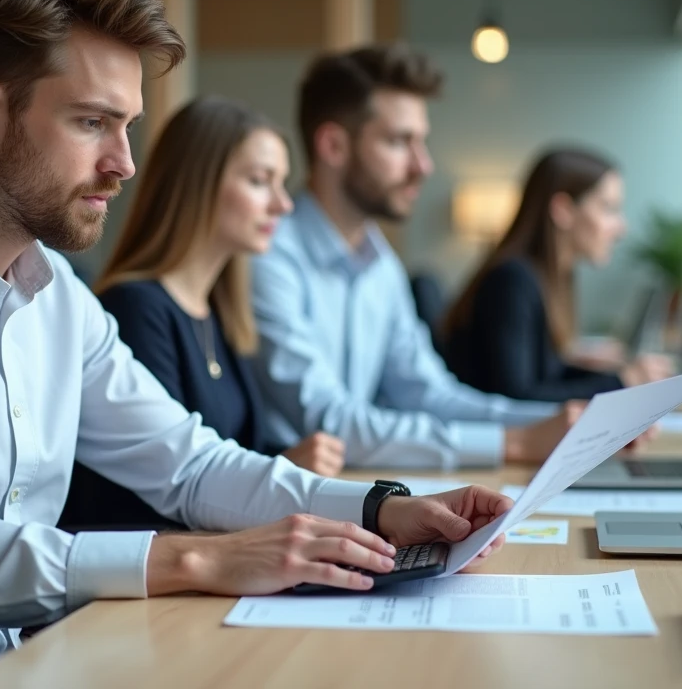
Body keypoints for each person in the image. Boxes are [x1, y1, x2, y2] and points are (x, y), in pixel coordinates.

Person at [0, 0, 511, 681]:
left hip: (30, 659)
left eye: (127, 125)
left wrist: (383, 508)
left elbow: (191, 465)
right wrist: (198, 559)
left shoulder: (57, 295)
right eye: (92, 122)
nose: (125, 163)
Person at [251, 44, 592, 470]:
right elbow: (327, 421)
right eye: (400, 142)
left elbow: (427, 394)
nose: (424, 165)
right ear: (334, 145)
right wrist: (514, 442)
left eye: (421, 142)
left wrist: (574, 422)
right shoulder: (268, 254)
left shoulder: (381, 263)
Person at [58, 96, 345, 530]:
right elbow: (149, 490)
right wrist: (284, 466)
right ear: (199, 185)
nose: (283, 205)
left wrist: (288, 460)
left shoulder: (220, 311)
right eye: (259, 181)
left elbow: (239, 445)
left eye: (281, 183)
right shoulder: (136, 309)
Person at [439, 148, 674, 402]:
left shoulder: (546, 277)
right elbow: (518, 395)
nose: (621, 228)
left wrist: (618, 376)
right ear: (563, 210)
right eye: (608, 209)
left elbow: (546, 375)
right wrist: (622, 381)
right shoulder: (511, 281)